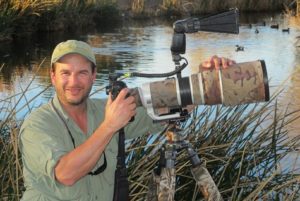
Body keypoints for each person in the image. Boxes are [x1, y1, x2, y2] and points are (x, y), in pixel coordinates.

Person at [19, 40, 234, 201]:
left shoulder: (106, 109)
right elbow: (65, 175)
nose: (73, 82)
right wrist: (110, 125)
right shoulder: (37, 125)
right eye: (65, 73)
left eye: (82, 73)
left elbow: (166, 111)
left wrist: (203, 82)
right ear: (53, 76)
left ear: (94, 76)